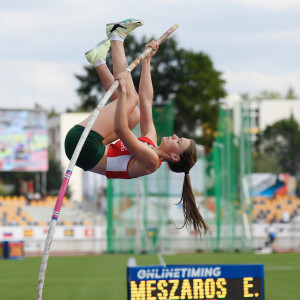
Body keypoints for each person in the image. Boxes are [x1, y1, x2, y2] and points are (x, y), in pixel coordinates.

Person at [64, 19, 209, 235]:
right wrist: (148, 61)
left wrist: (124, 91)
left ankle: (116, 37)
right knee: (135, 113)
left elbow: (121, 130)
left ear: (175, 157)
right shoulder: (150, 141)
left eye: (179, 141)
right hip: (90, 146)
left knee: (128, 99)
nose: (176, 135)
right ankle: (98, 61)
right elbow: (147, 99)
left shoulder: (151, 161)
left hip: (83, 147)